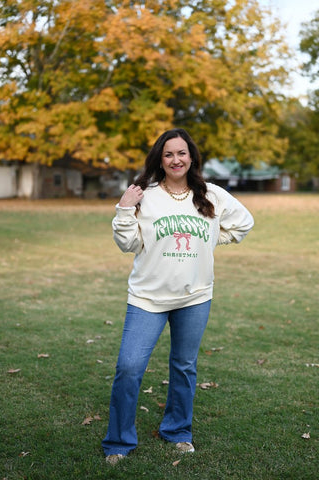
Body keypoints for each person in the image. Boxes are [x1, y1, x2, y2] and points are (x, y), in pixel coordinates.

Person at [102, 128, 254, 465]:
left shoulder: (212, 194)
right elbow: (128, 243)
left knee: (184, 367)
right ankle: (118, 441)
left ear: (192, 157)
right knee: (129, 367)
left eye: (182, 153)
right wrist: (125, 210)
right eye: (169, 154)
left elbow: (244, 223)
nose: (176, 160)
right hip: (148, 297)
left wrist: (213, 240)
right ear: (160, 158)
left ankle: (177, 432)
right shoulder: (145, 195)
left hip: (195, 297)